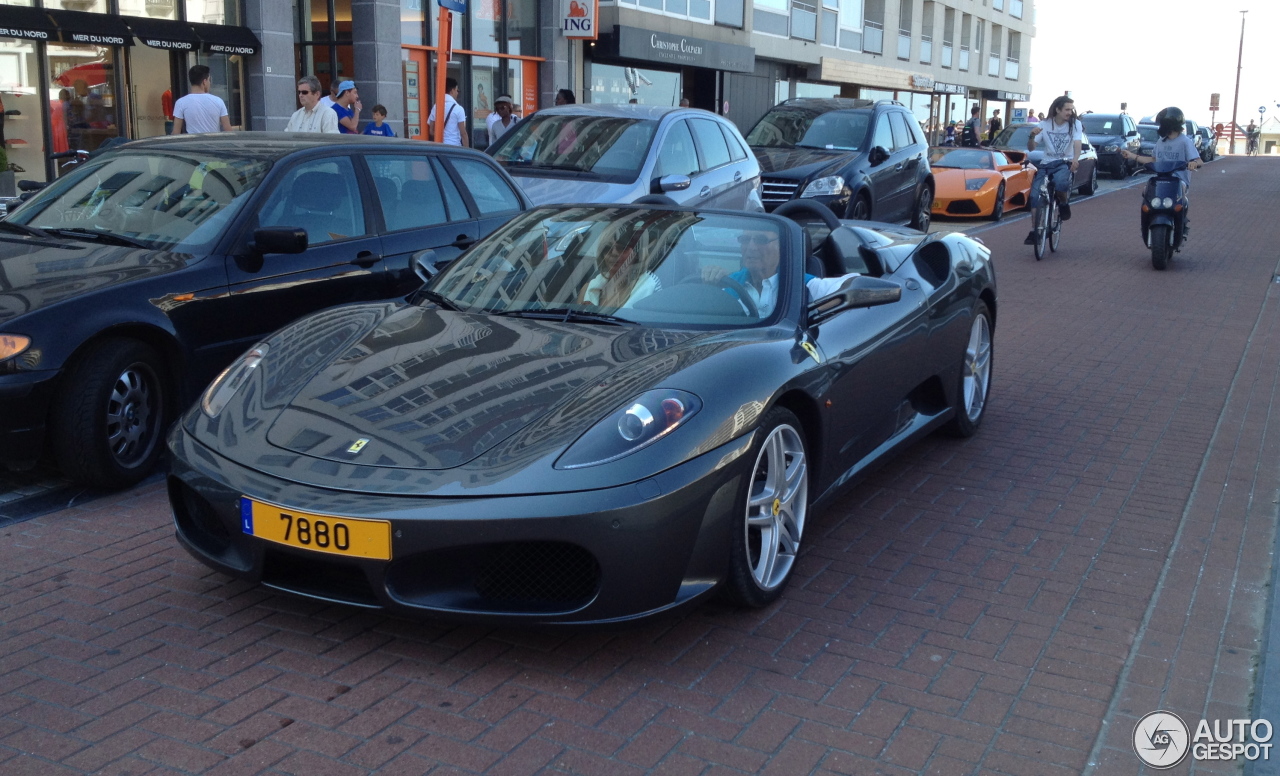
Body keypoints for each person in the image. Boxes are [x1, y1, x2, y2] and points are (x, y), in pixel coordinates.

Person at [702, 228, 864, 318]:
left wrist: (814, 311)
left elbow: (857, 287)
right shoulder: (725, 284)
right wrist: (708, 286)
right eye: (745, 240)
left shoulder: (803, 285)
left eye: (761, 240)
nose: (751, 247)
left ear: (782, 248)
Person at [1120, 106, 1202, 233]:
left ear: (1168, 125)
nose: (1159, 128)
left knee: (1181, 199)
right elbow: (1153, 160)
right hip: (1161, 178)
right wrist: (1132, 156)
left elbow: (1199, 160)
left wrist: (1193, 163)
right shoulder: (1160, 142)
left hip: (1178, 180)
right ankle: (1147, 223)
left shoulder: (1185, 142)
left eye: (1161, 125)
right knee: (1146, 193)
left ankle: (1182, 223)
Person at [1023, 95, 1082, 245]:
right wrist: (1031, 136)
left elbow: (1077, 143)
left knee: (1061, 183)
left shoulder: (1075, 124)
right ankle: (1034, 230)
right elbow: (1031, 148)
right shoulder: (1044, 124)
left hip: (1064, 162)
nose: (1070, 112)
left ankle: (1063, 203)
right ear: (1058, 109)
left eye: (1071, 109)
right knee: (1035, 196)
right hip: (1046, 163)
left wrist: (1075, 159)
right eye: (1067, 109)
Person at [582, 239, 660, 308]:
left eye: (622, 248)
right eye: (607, 248)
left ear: (637, 253)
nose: (613, 253)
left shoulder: (651, 289)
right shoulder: (588, 289)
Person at [171, 65, 232, 135]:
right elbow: (228, 130)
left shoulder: (181, 102)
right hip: (214, 143)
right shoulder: (218, 101)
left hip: (193, 143)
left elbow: (176, 132)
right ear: (204, 81)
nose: (209, 83)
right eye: (209, 80)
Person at [427, 77, 469, 147]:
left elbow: (431, 131)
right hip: (455, 147)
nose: (457, 93)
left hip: (440, 148)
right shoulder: (458, 109)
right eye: (457, 90)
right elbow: (463, 134)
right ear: (452, 90)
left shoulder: (436, 107)